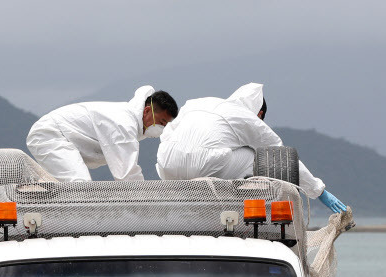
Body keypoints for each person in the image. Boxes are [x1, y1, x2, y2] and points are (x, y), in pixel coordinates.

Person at [156, 83, 346, 213]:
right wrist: (318, 190)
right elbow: (280, 155)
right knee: (258, 155)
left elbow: (167, 133)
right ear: (260, 112)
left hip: (166, 167)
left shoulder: (196, 103)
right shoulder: (246, 117)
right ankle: (248, 201)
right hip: (203, 167)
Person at [27, 87, 178, 182]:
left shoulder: (128, 121)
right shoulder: (123, 123)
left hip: (60, 136)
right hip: (50, 134)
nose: (161, 129)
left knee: (72, 184)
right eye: (161, 122)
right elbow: (127, 175)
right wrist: (148, 204)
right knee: (79, 185)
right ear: (146, 111)